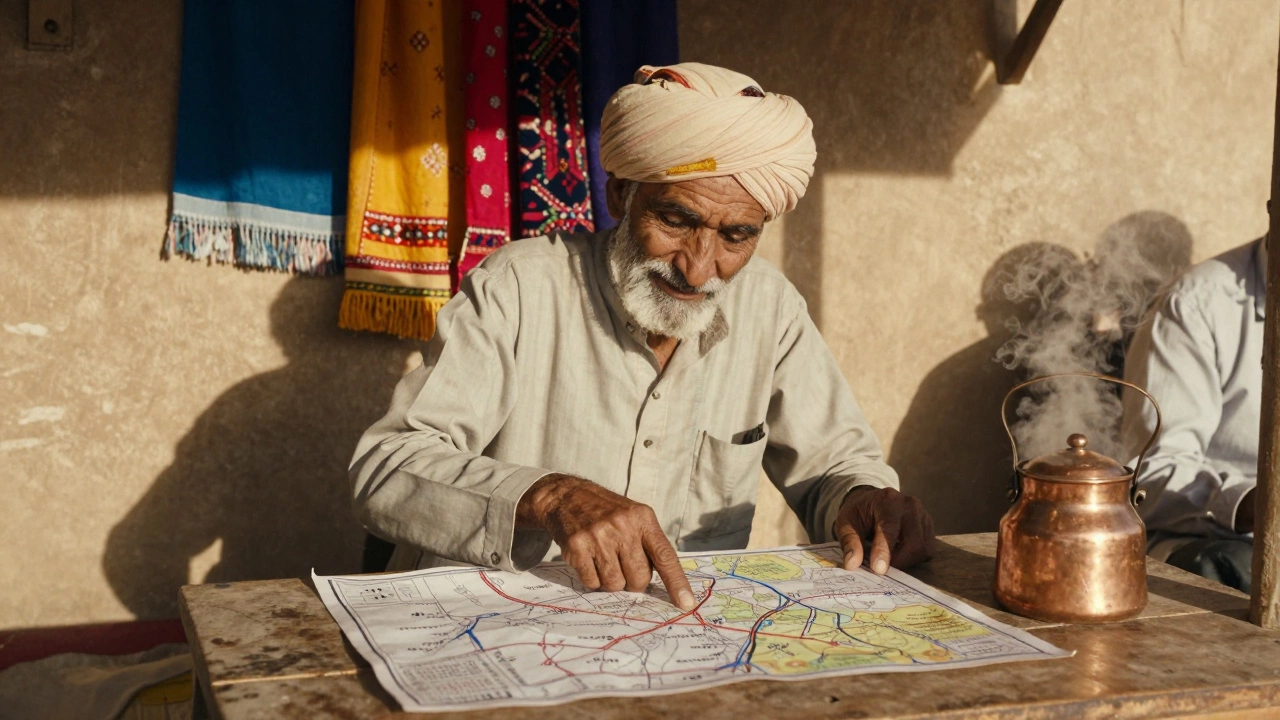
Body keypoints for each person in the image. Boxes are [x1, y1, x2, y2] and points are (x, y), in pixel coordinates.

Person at [349, 62, 934, 611]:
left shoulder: (770, 308)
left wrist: (862, 500)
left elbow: (836, 463)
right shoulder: (518, 287)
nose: (700, 268)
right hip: (500, 625)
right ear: (621, 195)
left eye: (735, 236)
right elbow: (386, 467)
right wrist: (549, 497)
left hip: (682, 636)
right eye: (675, 221)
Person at [1121, 236, 1263, 592]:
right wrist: (1256, 503)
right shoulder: (1197, 303)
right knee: (1243, 570)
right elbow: (1148, 475)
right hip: (1217, 543)